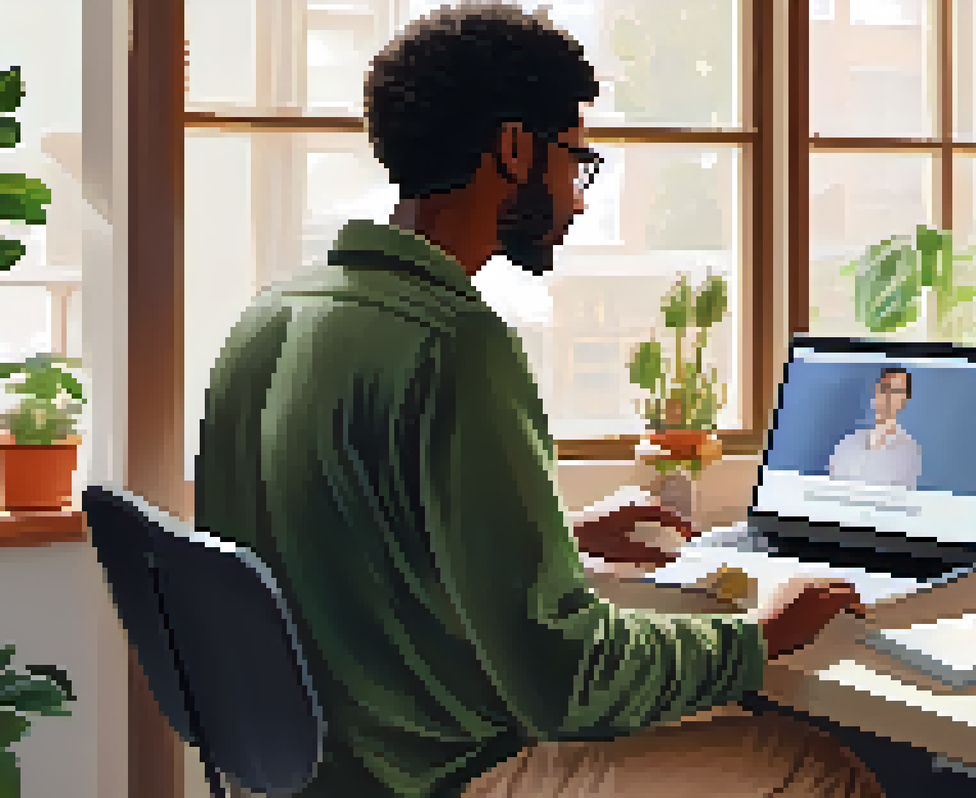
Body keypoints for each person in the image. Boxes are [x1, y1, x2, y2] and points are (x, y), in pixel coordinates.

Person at [194, 4, 879, 797]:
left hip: (317, 769)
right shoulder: (453, 342)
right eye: (576, 162)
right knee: (818, 767)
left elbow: (342, 538)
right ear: (515, 150)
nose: (579, 200)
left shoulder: (277, 312)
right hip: (440, 776)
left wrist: (554, 536)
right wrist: (758, 637)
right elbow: (565, 680)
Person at [826, 367, 922, 489]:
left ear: (904, 400)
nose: (888, 397)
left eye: (895, 391)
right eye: (884, 389)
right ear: (876, 391)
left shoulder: (908, 451)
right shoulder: (846, 443)